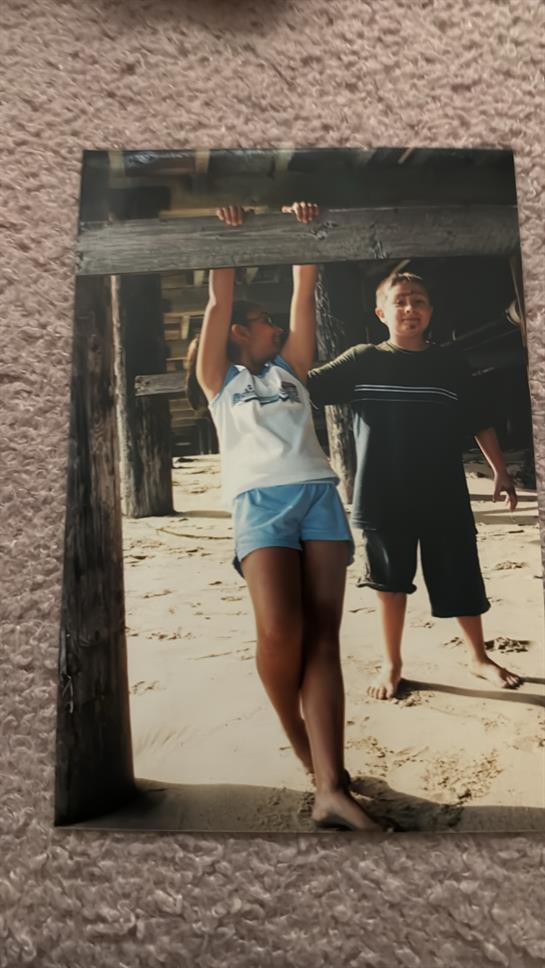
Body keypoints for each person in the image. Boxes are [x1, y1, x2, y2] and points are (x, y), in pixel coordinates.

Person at [188, 202, 380, 831]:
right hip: (259, 504)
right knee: (280, 633)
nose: (274, 328)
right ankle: (297, 738)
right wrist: (227, 233)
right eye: (263, 322)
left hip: (318, 496)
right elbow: (218, 302)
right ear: (240, 331)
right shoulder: (218, 378)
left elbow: (305, 283)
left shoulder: (291, 368)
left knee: (323, 635)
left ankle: (332, 785)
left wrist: (303, 225)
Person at [308, 271, 523, 701]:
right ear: (381, 311)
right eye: (401, 301)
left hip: (444, 493)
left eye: (419, 301)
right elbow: (305, 385)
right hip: (382, 496)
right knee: (388, 585)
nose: (410, 309)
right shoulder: (362, 359)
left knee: (461, 577)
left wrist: (499, 469)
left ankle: (478, 657)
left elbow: (478, 417)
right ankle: (392, 663)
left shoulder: (449, 362)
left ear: (431, 311)